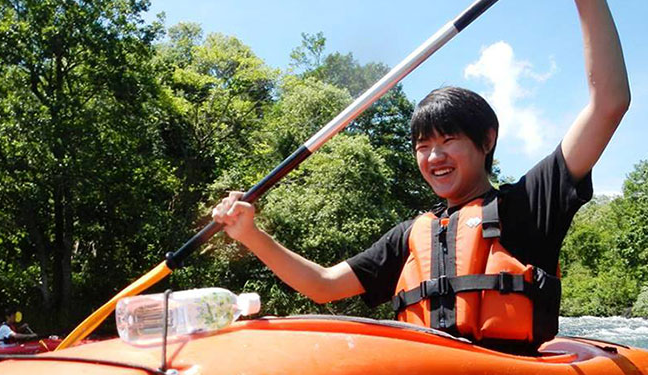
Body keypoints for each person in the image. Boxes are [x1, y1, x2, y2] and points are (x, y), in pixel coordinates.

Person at [211, 0, 629, 353]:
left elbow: (609, 104)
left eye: (449, 139)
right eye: (422, 146)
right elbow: (321, 285)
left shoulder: (528, 205)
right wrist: (250, 233)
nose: (434, 156)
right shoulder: (409, 236)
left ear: (487, 140)